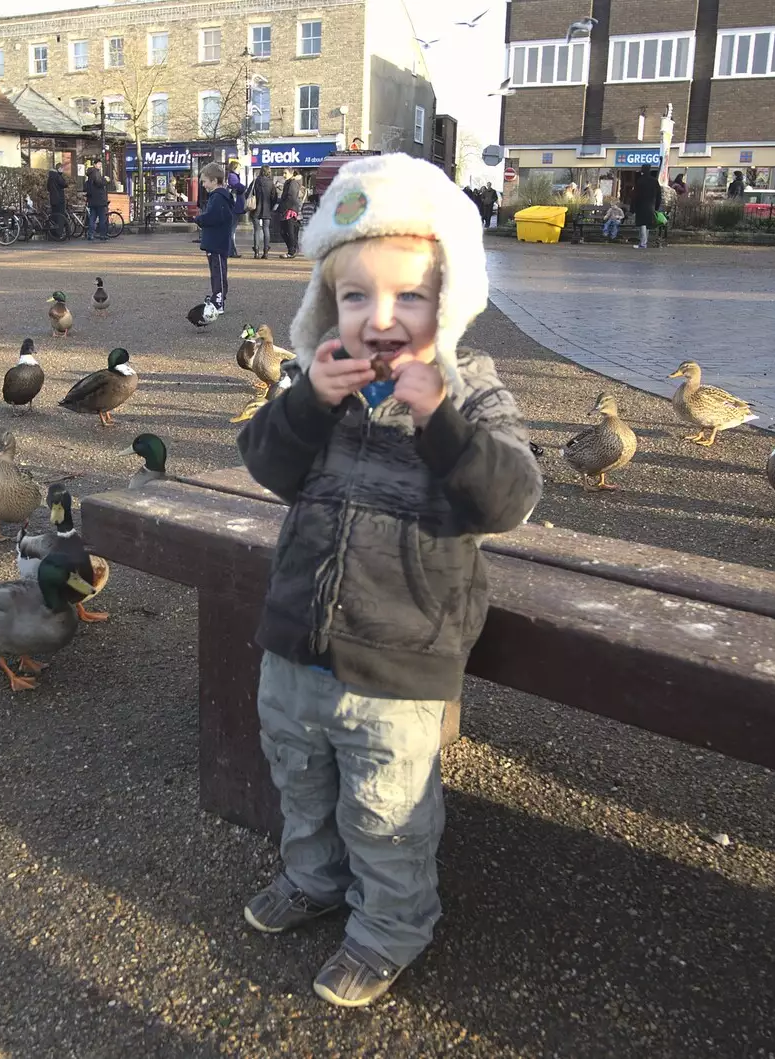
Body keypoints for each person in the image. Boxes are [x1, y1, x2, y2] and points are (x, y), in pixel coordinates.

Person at [236, 152, 541, 1009]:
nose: (380, 318)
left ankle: (388, 928)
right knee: (298, 779)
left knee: (386, 809)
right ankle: (314, 877)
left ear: (450, 302)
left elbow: (509, 498)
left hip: (402, 657)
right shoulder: (318, 383)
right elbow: (266, 463)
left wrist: (438, 418)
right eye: (355, 296)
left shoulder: (473, 395)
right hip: (296, 639)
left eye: (408, 296)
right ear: (326, 305)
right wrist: (304, 405)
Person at [194, 162, 238, 312]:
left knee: (218, 272)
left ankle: (218, 301)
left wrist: (200, 219)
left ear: (214, 181)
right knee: (216, 272)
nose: (203, 185)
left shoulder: (218, 198)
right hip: (215, 242)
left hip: (217, 242)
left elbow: (214, 217)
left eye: (205, 181)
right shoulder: (218, 197)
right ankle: (217, 297)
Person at [632, 164, 661, 249]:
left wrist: (633, 207)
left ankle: (643, 243)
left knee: (642, 223)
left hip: (641, 204)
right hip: (651, 204)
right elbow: (659, 194)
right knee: (647, 223)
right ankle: (644, 241)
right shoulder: (654, 181)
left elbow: (635, 194)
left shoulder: (640, 181)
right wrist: (657, 206)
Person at [249, 164, 275, 259]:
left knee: (256, 230)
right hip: (267, 209)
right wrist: (270, 206)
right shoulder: (271, 183)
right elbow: (274, 197)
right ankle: (266, 252)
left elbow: (248, 193)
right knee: (266, 229)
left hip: (256, 208)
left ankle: (256, 252)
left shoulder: (255, 181)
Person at [278, 168, 304, 258]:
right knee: (285, 231)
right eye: (283, 173)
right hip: (288, 209)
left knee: (289, 231)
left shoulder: (292, 183)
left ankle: (292, 251)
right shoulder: (288, 182)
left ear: (291, 173)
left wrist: (284, 208)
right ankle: (292, 249)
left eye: (285, 173)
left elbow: (291, 197)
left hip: (290, 210)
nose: (283, 175)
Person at [83, 160, 110, 241]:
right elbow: (99, 183)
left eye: (101, 164)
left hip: (92, 200)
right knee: (102, 219)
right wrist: (106, 181)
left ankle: (90, 234)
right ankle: (102, 235)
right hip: (99, 200)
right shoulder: (96, 172)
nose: (100, 165)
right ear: (94, 164)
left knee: (92, 218)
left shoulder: (90, 174)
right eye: (98, 164)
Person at [45, 165, 70, 238]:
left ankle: (53, 233)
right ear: (58, 169)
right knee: (60, 217)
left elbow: (48, 188)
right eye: (61, 168)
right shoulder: (58, 176)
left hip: (53, 199)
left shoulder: (50, 177)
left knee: (54, 216)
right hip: (60, 199)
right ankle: (59, 233)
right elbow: (64, 184)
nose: (62, 170)